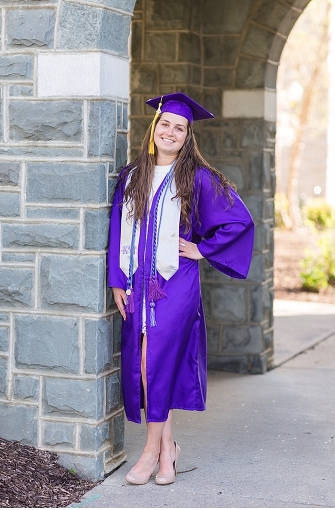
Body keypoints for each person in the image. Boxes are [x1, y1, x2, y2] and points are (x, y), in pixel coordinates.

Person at [108, 93, 255, 485]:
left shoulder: (197, 178)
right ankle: (168, 450)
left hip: (175, 284)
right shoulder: (131, 175)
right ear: (153, 129)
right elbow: (116, 230)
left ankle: (150, 452)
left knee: (155, 362)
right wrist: (116, 281)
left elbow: (238, 222)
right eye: (165, 124)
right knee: (146, 367)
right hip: (137, 283)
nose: (170, 132)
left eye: (179, 127)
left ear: (188, 136)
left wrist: (201, 249)